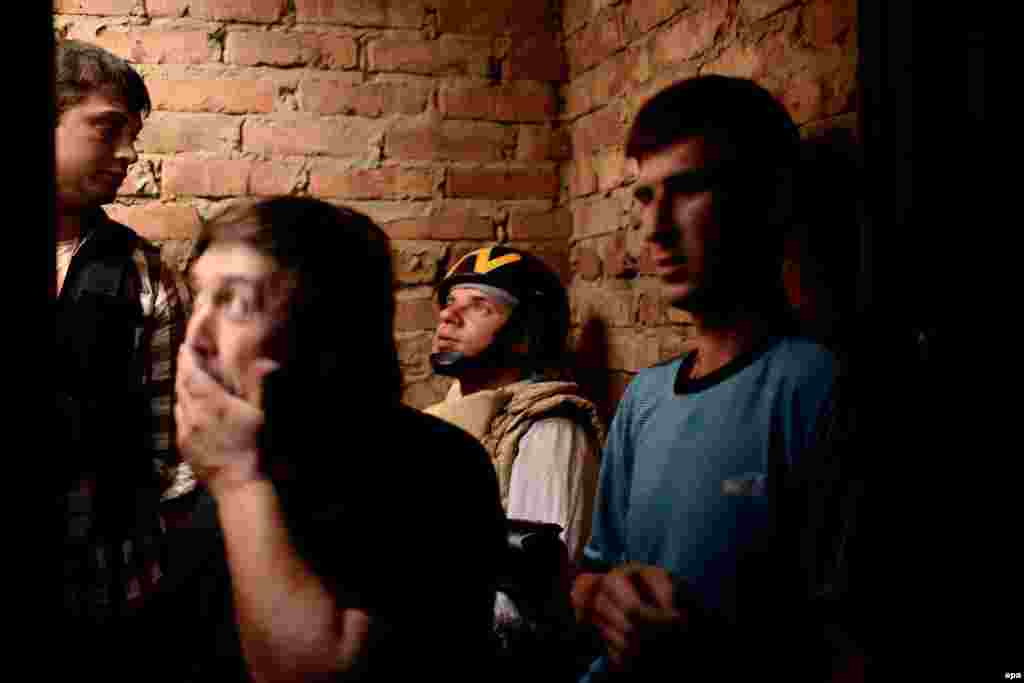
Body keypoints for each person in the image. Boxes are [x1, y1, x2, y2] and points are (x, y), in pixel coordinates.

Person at [142, 197, 506, 681]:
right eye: (200, 297)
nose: (197, 335)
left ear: (321, 326)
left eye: (237, 303)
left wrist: (238, 483)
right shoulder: (245, 447)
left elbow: (318, 671)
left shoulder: (434, 469)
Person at [570, 75, 841, 681]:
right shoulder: (644, 398)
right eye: (644, 197)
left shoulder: (817, 389)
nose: (655, 227)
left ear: (767, 201)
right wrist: (599, 599)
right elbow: (593, 572)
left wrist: (709, 654)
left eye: (687, 189)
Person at [55, 38, 192, 662]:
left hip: (103, 586)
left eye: (133, 133)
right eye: (107, 128)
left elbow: (169, 450)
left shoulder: (142, 271)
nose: (130, 153)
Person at [422, 245, 604, 674]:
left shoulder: (550, 428)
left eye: (479, 306)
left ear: (525, 334)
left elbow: (531, 601)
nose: (449, 315)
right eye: (450, 302)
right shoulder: (448, 417)